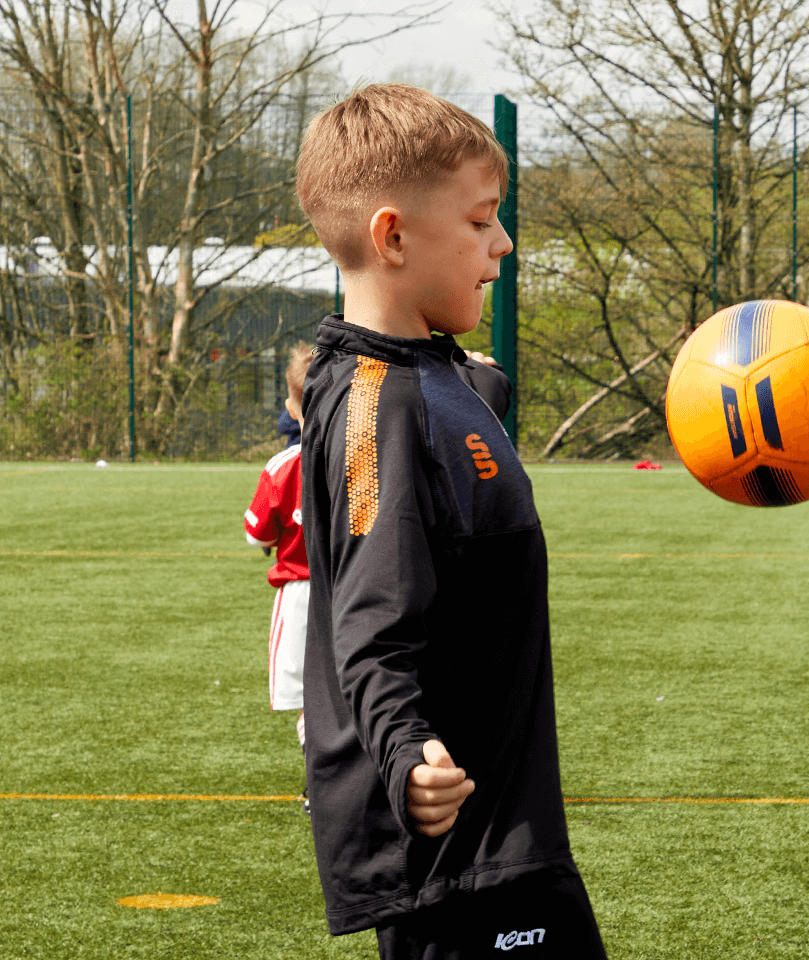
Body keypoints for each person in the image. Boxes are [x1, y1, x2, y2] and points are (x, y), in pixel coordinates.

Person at [294, 84, 608, 959]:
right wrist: (408, 754)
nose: (503, 244)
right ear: (393, 236)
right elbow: (370, 622)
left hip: (508, 841)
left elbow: (434, 398)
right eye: (481, 222)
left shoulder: (427, 380)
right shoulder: (377, 410)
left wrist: (470, 387)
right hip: (463, 857)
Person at [244, 341, 313, 803]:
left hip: (301, 594)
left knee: (311, 696)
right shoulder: (370, 455)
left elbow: (256, 534)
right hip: (363, 588)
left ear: (292, 406)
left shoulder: (284, 465)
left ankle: (319, 784)